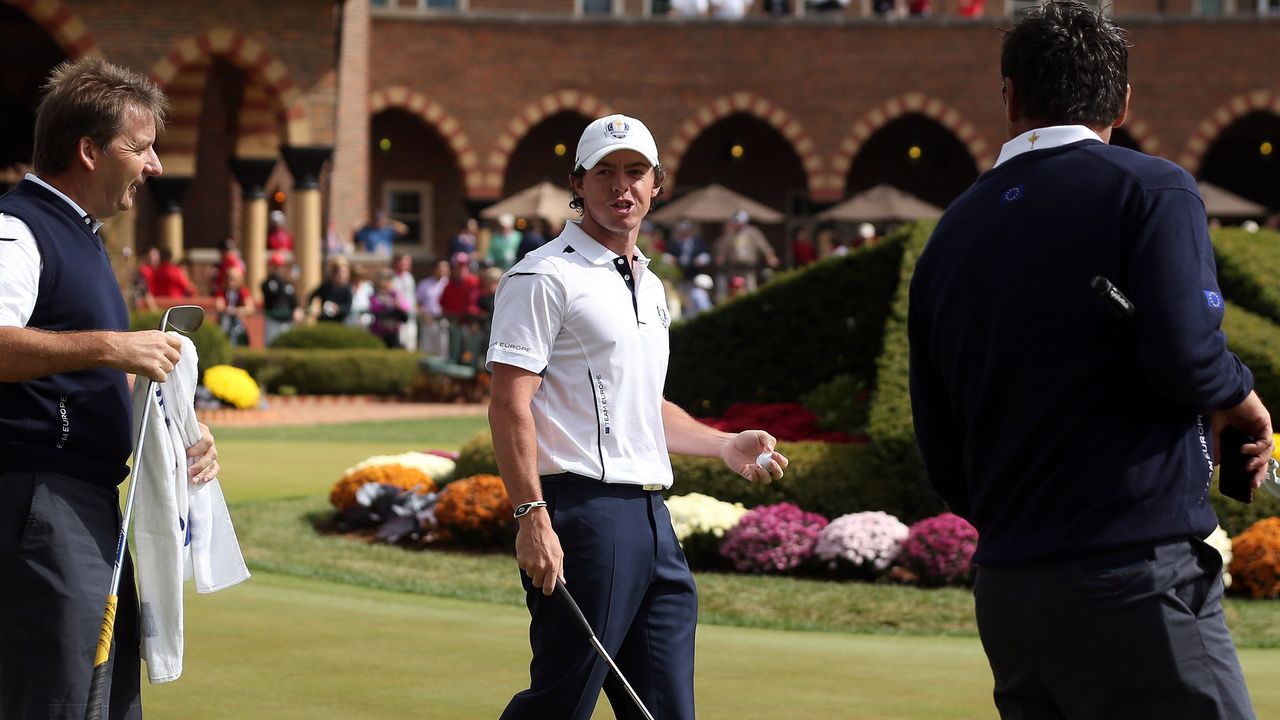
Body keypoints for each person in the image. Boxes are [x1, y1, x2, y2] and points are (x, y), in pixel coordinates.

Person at [907, 4, 1272, 718]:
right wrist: (1239, 390)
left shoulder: (949, 235)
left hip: (1012, 590)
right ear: (1124, 100)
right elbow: (1185, 355)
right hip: (1134, 572)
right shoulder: (1151, 188)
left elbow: (939, 440)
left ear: (1009, 94)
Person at [486, 113, 788, 720]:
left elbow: (643, 404)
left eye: (634, 172)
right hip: (582, 518)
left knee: (667, 711)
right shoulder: (542, 276)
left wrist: (722, 445)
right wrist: (531, 516)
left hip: (653, 521)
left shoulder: (649, 285)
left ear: (657, 184)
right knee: (559, 703)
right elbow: (508, 403)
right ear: (578, 182)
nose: (620, 187)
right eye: (604, 173)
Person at [0, 56, 220, 720]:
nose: (154, 165)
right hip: (38, 498)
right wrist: (113, 346)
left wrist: (185, 431)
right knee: (64, 701)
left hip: (77, 502)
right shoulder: (17, 229)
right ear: (89, 150)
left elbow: (77, 371)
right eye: (142, 146)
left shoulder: (82, 237)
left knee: (98, 698)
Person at [713, 208, 778, 295]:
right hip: (734, 267)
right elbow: (723, 246)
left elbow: (762, 245)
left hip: (749, 267)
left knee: (750, 289)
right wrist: (721, 255)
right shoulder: (730, 233)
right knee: (735, 289)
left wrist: (770, 256)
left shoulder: (753, 232)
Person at [260, 251, 302, 345]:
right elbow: (274, 294)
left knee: (288, 346)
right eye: (275, 266)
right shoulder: (268, 283)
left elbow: (294, 300)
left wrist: (297, 308)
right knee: (271, 345)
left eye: (279, 266)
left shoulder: (288, 284)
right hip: (273, 321)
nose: (278, 269)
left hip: (287, 321)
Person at [367, 268, 411, 349]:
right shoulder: (375, 295)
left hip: (394, 332)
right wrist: (385, 303)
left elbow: (406, 307)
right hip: (379, 332)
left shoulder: (396, 294)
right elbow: (375, 309)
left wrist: (397, 305)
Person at [415, 258, 450, 356]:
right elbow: (417, 302)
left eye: (445, 267)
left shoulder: (450, 284)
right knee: (427, 349)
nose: (442, 270)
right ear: (434, 269)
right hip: (428, 320)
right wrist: (423, 314)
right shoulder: (424, 283)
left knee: (443, 348)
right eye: (440, 267)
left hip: (443, 321)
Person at [214, 265, 255, 347]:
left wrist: (236, 311)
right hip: (225, 322)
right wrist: (228, 310)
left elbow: (250, 308)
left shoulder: (243, 291)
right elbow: (219, 306)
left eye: (233, 279)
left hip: (238, 322)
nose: (230, 282)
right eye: (228, 278)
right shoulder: (222, 291)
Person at [307, 256, 354, 323]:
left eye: (345, 272)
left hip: (339, 324)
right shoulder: (326, 286)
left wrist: (338, 308)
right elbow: (312, 295)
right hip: (324, 322)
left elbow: (348, 308)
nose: (344, 275)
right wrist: (312, 308)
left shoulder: (347, 289)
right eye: (342, 272)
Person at [391, 253, 417, 350]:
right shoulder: (392, 277)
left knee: (410, 343)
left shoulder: (410, 277)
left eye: (407, 261)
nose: (406, 264)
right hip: (397, 318)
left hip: (410, 316)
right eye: (403, 261)